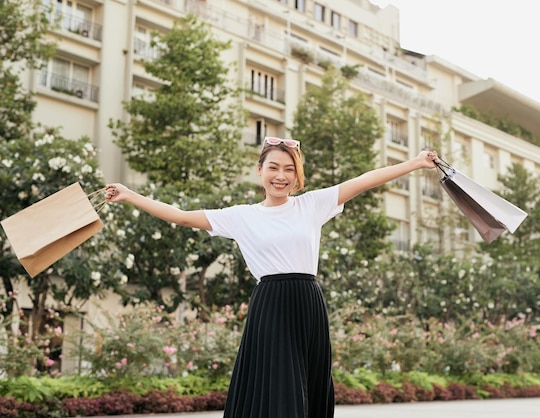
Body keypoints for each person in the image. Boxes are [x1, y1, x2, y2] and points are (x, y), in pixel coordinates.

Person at [105, 137, 439, 418]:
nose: (281, 176)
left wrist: (415, 162)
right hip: (271, 303)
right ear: (260, 171)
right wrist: (129, 195)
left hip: (308, 301)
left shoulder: (312, 205)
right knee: (280, 384)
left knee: (309, 381)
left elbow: (366, 179)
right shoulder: (241, 216)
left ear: (297, 176)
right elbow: (180, 217)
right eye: (274, 168)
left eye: (289, 169)